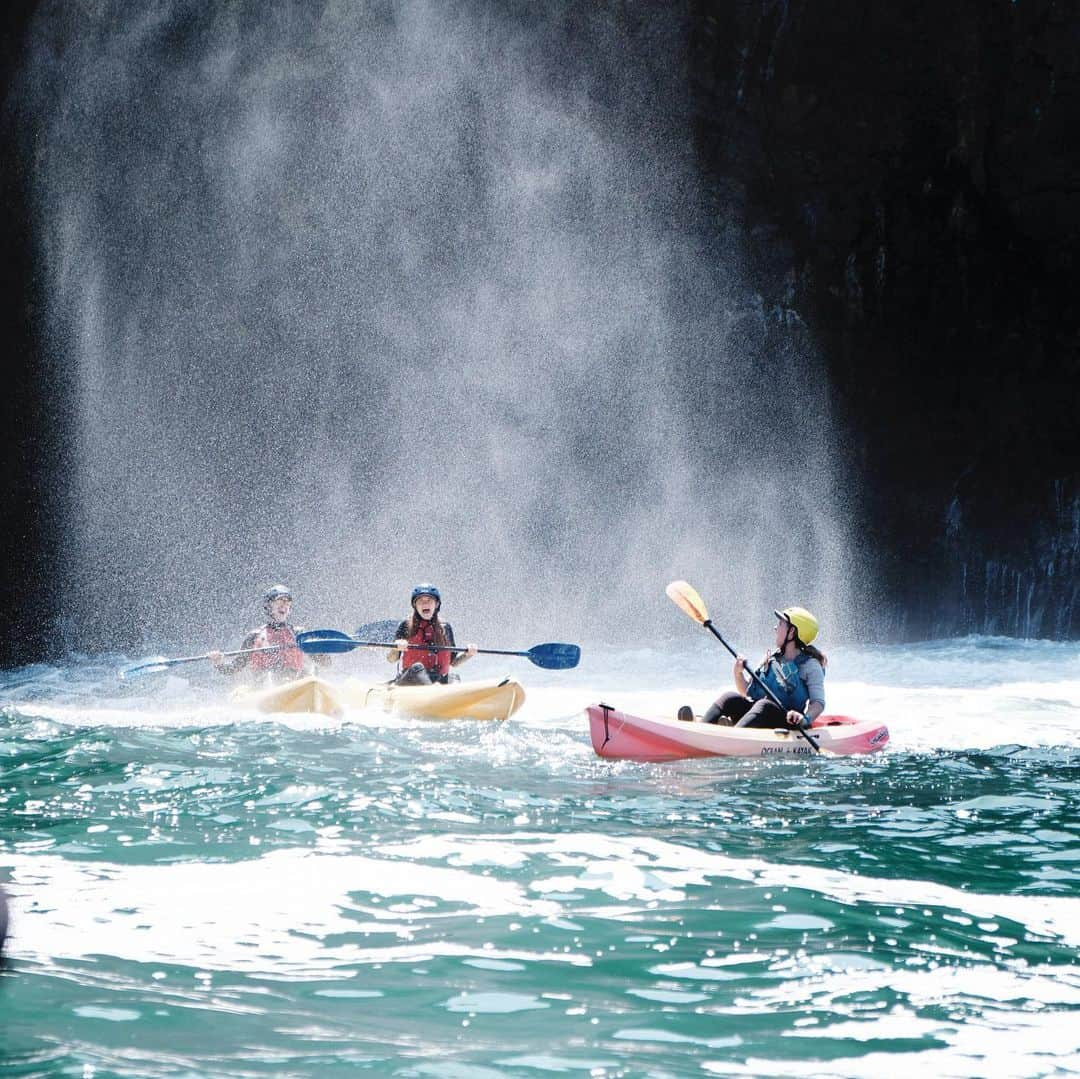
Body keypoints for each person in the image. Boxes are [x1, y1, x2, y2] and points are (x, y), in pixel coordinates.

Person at [682, 607, 826, 729]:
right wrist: (738, 672)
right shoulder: (772, 659)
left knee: (764, 705)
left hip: (786, 722)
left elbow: (818, 703)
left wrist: (804, 719)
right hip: (757, 718)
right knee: (729, 697)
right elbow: (746, 691)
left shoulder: (810, 666)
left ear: (792, 632)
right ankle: (703, 728)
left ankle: (730, 734)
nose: (775, 628)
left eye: (781, 624)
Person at [209, 584, 326, 683]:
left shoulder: (299, 634)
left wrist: (319, 650)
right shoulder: (254, 636)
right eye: (280, 601)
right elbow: (233, 668)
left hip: (295, 683)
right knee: (268, 678)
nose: (284, 606)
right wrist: (218, 662)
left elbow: (325, 663)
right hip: (266, 685)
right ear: (269, 606)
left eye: (287, 603)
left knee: (309, 673)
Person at [386, 584, 477, 685]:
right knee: (417, 668)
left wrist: (468, 654)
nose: (425, 604)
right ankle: (435, 691)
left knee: (454, 678)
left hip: (437, 681)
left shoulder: (445, 628)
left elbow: (453, 662)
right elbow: (391, 659)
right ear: (415, 605)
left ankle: (445, 693)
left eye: (429, 600)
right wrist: (395, 648)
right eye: (420, 601)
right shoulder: (406, 626)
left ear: (436, 604)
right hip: (410, 681)